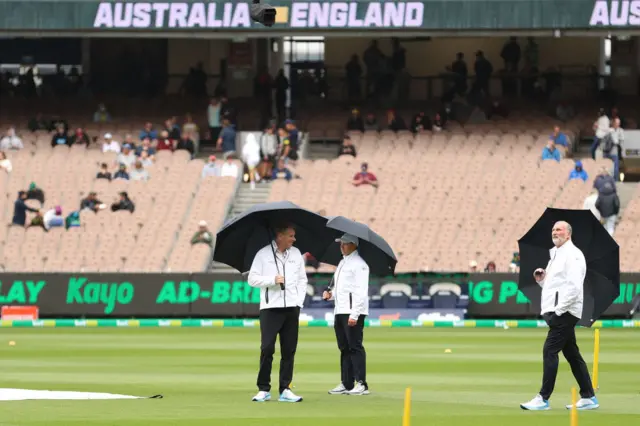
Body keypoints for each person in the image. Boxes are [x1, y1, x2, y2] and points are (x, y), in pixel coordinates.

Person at [520, 221, 598, 411]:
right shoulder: (555, 253)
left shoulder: (574, 255)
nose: (555, 232)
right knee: (572, 353)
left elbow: (574, 286)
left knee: (549, 351)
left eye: (559, 229)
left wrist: (559, 310)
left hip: (565, 312)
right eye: (553, 229)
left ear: (568, 234)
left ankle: (543, 398)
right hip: (558, 310)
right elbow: (555, 285)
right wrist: (541, 280)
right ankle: (588, 396)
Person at [248, 224, 307, 403]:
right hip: (270, 308)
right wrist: (272, 280)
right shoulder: (263, 254)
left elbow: (302, 280)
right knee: (267, 349)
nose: (294, 239)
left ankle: (285, 389)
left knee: (289, 350)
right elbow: (252, 279)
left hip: (291, 307)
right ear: (279, 236)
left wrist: (299, 302)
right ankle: (263, 389)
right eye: (290, 236)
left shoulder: (296, 254)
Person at [323, 233, 370, 396]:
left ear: (354, 245)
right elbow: (342, 289)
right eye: (340, 244)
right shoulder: (342, 263)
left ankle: (361, 383)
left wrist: (355, 314)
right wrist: (331, 295)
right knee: (344, 347)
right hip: (340, 310)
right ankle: (347, 382)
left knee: (355, 346)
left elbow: (361, 291)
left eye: (345, 243)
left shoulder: (360, 264)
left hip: (352, 311)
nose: (341, 246)